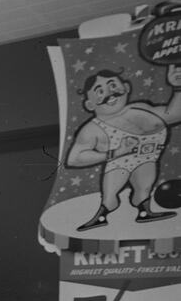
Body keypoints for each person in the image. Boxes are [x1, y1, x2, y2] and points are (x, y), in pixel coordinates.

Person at [64, 65, 181, 230]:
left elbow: (174, 114)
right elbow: (74, 159)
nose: (110, 93)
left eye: (113, 85)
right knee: (111, 195)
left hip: (148, 158)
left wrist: (178, 87)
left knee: (144, 187)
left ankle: (144, 212)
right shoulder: (93, 128)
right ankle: (101, 217)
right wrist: (116, 152)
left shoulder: (142, 107)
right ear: (90, 104)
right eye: (99, 91)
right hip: (119, 163)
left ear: (126, 88)